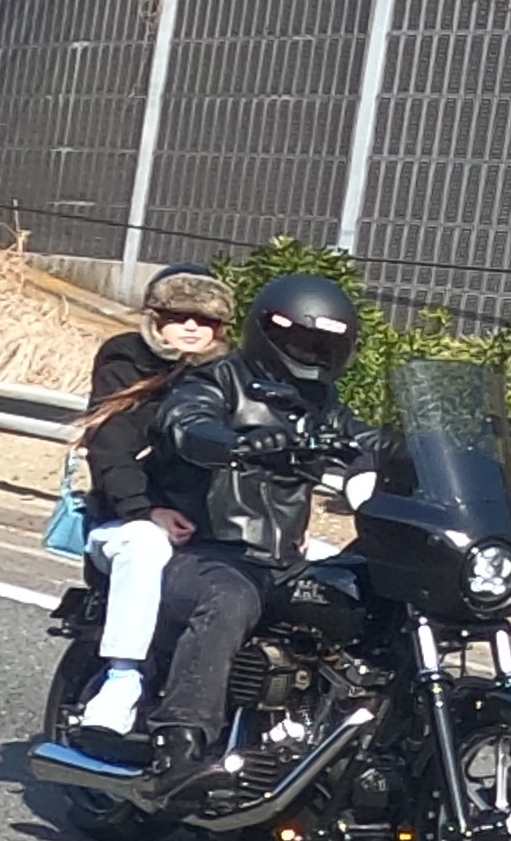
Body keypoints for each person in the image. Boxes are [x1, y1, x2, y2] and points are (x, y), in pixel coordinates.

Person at [135, 272, 379, 774]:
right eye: (302, 342)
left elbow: (367, 438)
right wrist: (235, 442)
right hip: (204, 553)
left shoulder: (324, 405)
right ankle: (180, 741)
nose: (312, 354)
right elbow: (187, 425)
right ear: (268, 332)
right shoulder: (215, 381)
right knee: (230, 599)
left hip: (282, 561)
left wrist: (411, 449)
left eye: (324, 346)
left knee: (367, 597)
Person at [73, 265, 237, 737]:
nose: (192, 327)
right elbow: (110, 448)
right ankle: (122, 680)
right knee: (146, 544)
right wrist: (147, 511)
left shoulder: (236, 379)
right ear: (155, 318)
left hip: (212, 528)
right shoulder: (126, 361)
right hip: (125, 522)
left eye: (206, 320)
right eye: (179, 316)